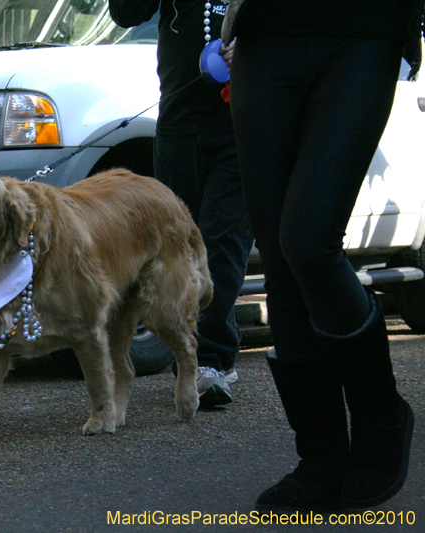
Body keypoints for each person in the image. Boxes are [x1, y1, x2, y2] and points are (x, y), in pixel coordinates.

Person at [222, 0, 421, 512]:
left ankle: (381, 419)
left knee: (309, 243)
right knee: (281, 258)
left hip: (362, 31)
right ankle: (320, 457)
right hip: (264, 37)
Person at [109, 0, 254, 408]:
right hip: (178, 125)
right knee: (180, 250)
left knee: (223, 242)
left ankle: (206, 361)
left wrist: (252, 44)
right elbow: (124, 13)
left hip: (243, 122)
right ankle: (207, 354)